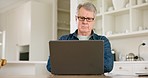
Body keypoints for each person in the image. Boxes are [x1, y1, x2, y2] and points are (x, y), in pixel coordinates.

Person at [47, 2, 113, 73]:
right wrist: (91, 64)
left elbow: (108, 66)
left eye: (89, 19)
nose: (85, 22)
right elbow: (50, 66)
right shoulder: (64, 39)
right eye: (81, 18)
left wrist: (71, 64)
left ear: (94, 21)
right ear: (76, 19)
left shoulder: (103, 41)